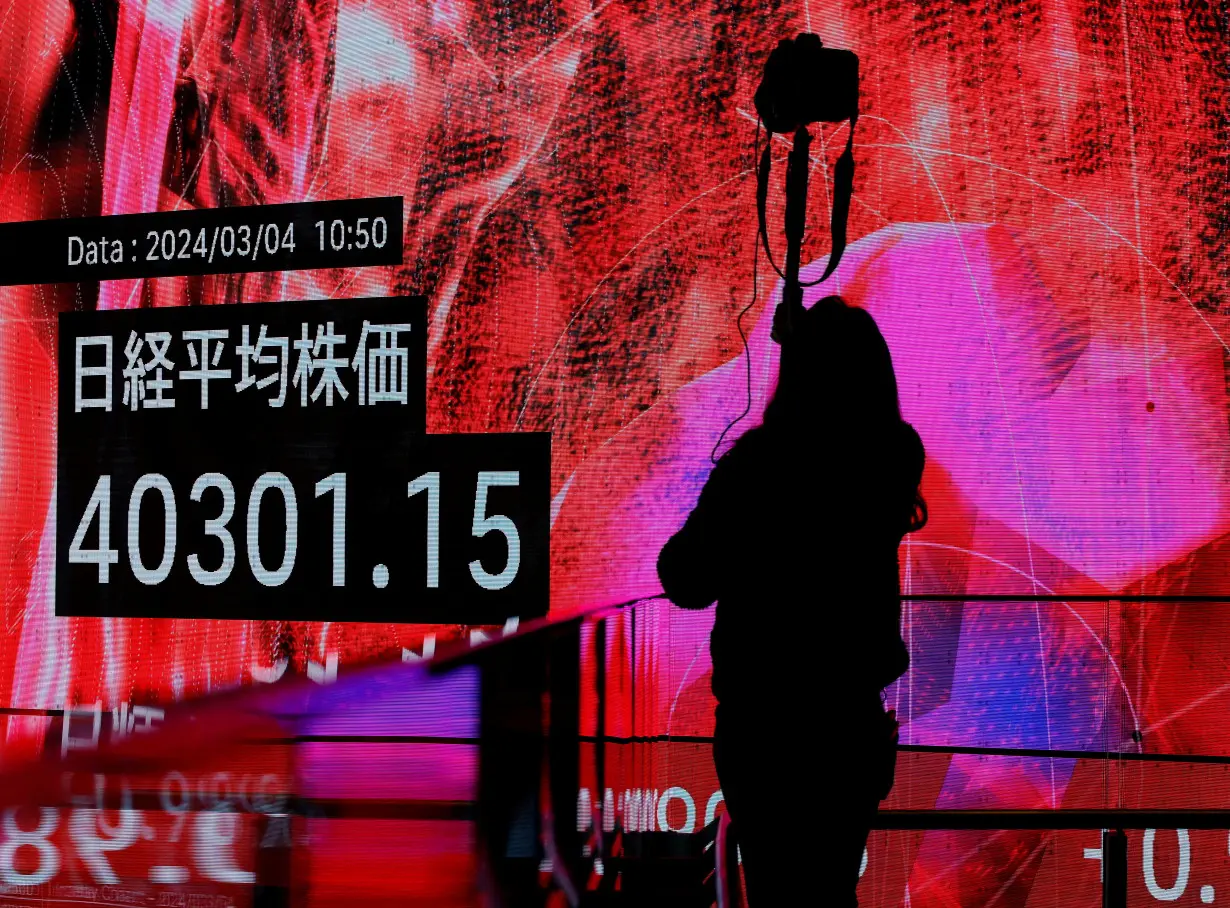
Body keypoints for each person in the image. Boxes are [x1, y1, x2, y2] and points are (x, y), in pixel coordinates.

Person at [657, 295, 927, 906]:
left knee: (777, 890)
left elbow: (685, 578)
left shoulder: (755, 467)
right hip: (845, 731)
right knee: (832, 892)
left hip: (763, 734)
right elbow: (881, 441)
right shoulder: (886, 464)